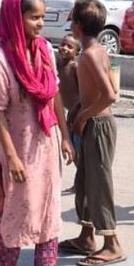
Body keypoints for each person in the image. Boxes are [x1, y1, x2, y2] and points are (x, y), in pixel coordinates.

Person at [0, 0, 75, 266]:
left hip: (46, 140)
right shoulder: (0, 60)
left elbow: (53, 93)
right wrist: (12, 156)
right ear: (16, 19)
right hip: (17, 145)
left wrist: (65, 136)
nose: (40, 24)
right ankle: (0, 258)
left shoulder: (43, 49)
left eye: (43, 17)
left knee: (49, 202)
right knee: (19, 203)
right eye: (34, 18)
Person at [58, 0, 123, 266]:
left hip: (98, 125)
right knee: (84, 182)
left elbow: (110, 95)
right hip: (89, 123)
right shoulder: (90, 50)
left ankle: (112, 244)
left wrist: (83, 115)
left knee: (99, 185)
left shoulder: (91, 54)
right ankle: (87, 236)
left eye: (72, 20)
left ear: (79, 25)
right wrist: (77, 112)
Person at [57, 33, 81, 195]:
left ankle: (82, 183)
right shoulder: (57, 64)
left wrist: (76, 113)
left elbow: (84, 92)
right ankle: (80, 182)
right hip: (67, 113)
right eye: (63, 44)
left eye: (70, 47)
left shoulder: (74, 67)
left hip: (78, 114)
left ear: (76, 53)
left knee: (78, 149)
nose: (64, 48)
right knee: (73, 150)